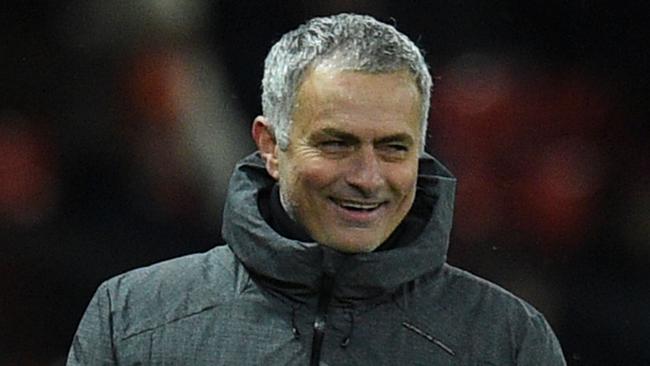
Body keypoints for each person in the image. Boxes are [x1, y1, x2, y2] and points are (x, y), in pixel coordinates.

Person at [67, 13, 566, 365]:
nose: (368, 178)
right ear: (270, 145)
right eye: (336, 144)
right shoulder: (131, 319)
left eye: (394, 148)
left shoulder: (507, 340)